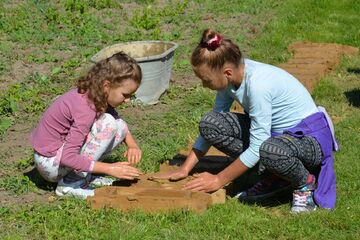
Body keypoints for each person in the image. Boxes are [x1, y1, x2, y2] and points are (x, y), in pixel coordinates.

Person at [157, 29, 338, 213]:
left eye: (206, 80)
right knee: (210, 123)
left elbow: (259, 144)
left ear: (226, 73)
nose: (204, 85)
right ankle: (276, 178)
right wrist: (186, 168)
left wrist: (219, 179)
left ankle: (305, 183)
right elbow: (213, 124)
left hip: (308, 140)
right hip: (278, 139)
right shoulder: (231, 80)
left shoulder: (258, 86)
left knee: (269, 150)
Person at [31, 52, 143, 199]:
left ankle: (84, 177)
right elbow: (68, 157)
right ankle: (69, 185)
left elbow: (118, 121)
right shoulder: (85, 109)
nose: (127, 100)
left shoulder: (95, 94)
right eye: (125, 95)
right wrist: (110, 168)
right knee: (108, 125)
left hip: (58, 156)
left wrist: (132, 145)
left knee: (118, 125)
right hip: (50, 163)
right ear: (106, 86)